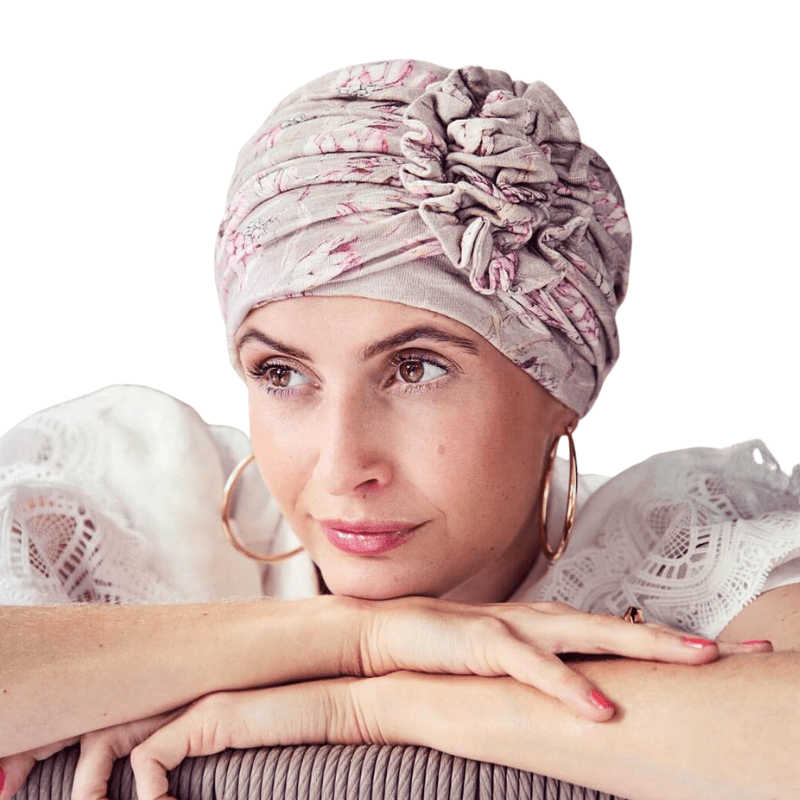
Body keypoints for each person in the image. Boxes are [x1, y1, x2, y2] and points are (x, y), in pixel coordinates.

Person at [1, 59, 798, 800]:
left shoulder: (685, 551)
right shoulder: (138, 496)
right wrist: (360, 639)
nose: (342, 467)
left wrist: (373, 703)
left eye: (415, 369)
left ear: (561, 388)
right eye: (282, 374)